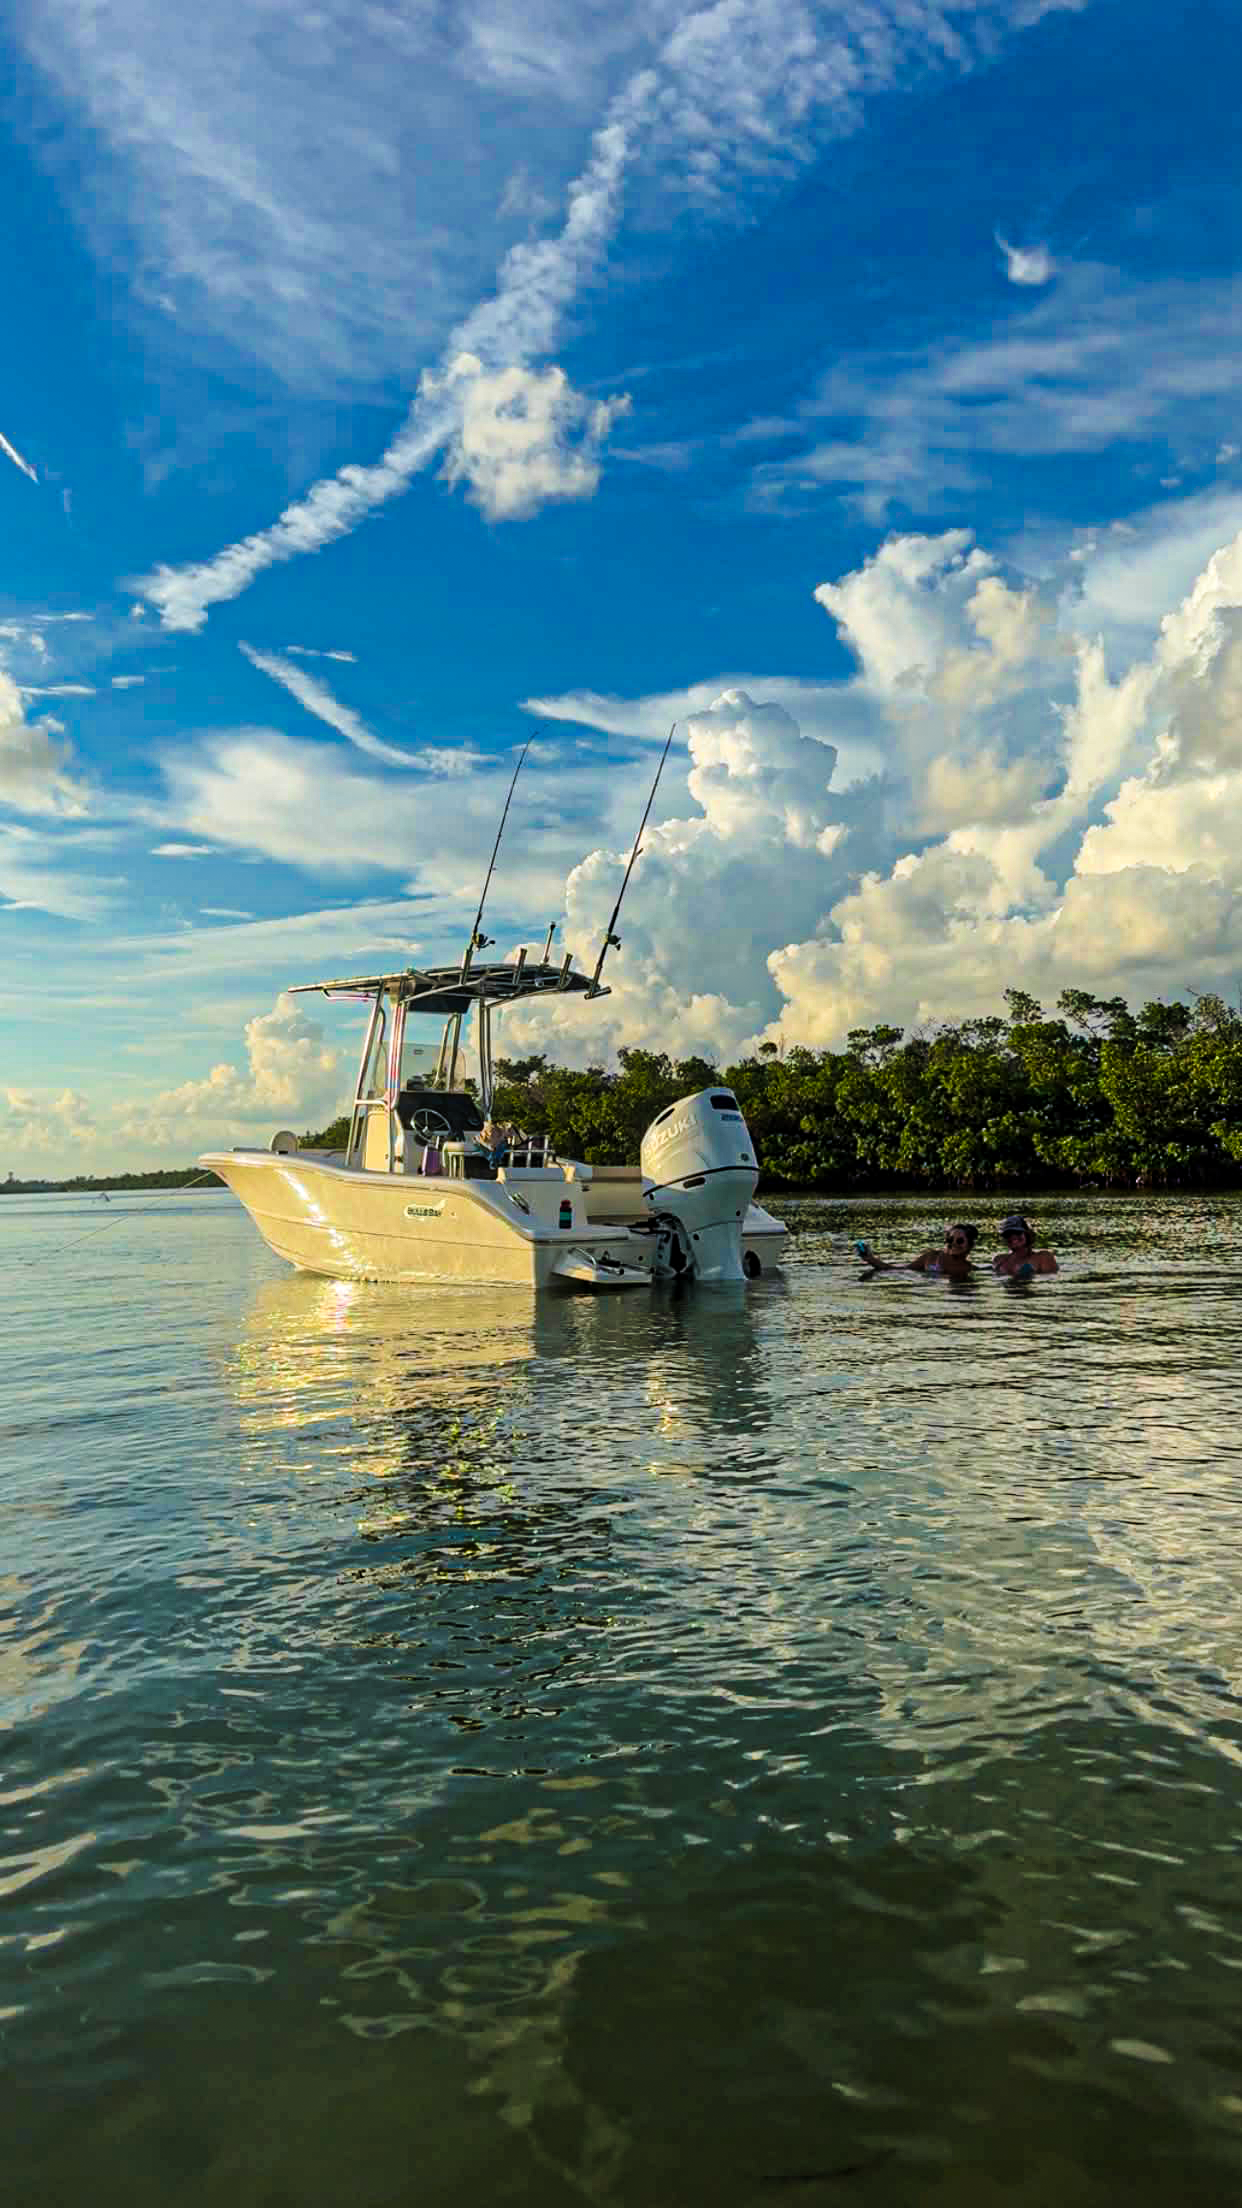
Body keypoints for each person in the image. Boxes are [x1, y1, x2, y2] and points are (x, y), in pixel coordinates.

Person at [856, 1223, 978, 1276]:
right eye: (951, 1240)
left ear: (970, 1246)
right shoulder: (932, 1257)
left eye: (960, 1241)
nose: (954, 1244)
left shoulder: (969, 1269)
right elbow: (899, 1270)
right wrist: (870, 1259)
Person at [992, 1213, 1057, 1276]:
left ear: (1027, 1234)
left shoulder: (1043, 1257)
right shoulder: (999, 1260)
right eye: (1008, 1234)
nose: (1013, 1237)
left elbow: (1049, 1281)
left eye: (1017, 1232)